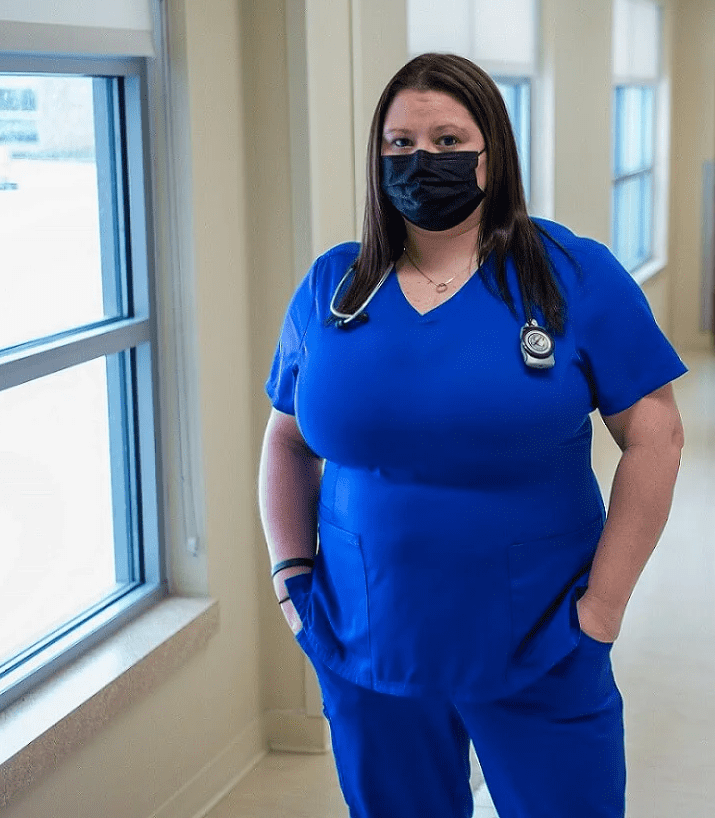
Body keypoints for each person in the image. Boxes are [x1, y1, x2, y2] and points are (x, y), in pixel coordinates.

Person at [257, 52, 686, 818]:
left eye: (449, 141)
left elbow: (656, 437)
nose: (423, 160)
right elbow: (286, 441)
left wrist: (605, 609)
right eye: (400, 144)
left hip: (541, 642)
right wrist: (291, 580)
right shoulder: (335, 286)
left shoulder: (572, 276)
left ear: (494, 151)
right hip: (366, 640)